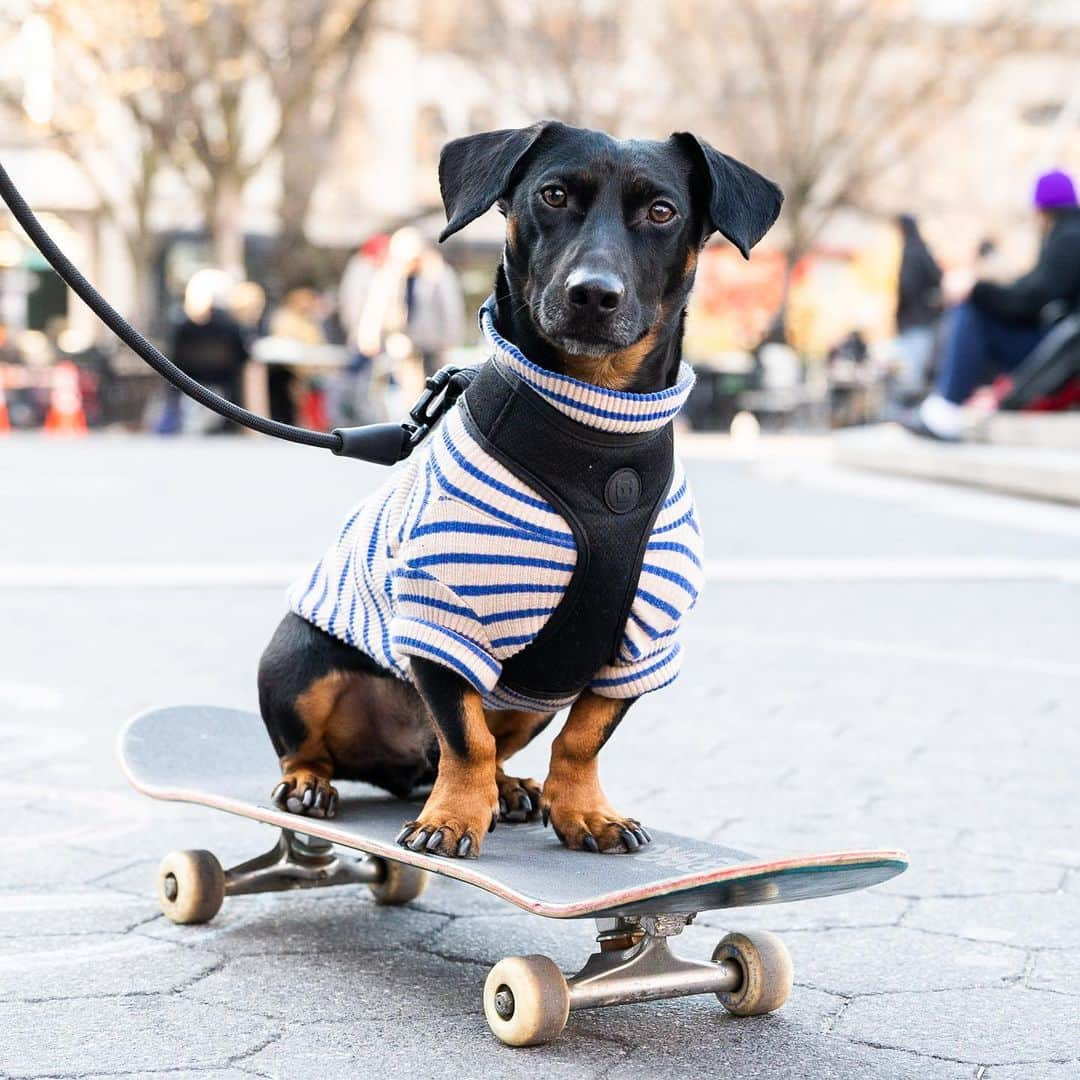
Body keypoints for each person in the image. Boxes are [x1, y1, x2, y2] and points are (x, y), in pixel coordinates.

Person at [907, 169, 1080, 440]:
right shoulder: (1066, 235)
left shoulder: (1069, 238)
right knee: (975, 308)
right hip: (1060, 346)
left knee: (972, 311)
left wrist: (976, 290)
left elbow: (1032, 297)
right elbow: (1034, 288)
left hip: (1062, 353)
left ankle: (948, 409)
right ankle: (944, 402)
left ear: (1042, 209)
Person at [161, 269, 247, 434]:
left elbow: (173, 358)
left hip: (193, 386)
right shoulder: (231, 329)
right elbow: (243, 359)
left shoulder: (184, 329)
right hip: (219, 387)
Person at [891, 214, 942, 404]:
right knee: (917, 371)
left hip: (915, 321)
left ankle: (913, 410)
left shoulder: (912, 252)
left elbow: (907, 287)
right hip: (923, 320)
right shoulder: (922, 251)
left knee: (914, 374)